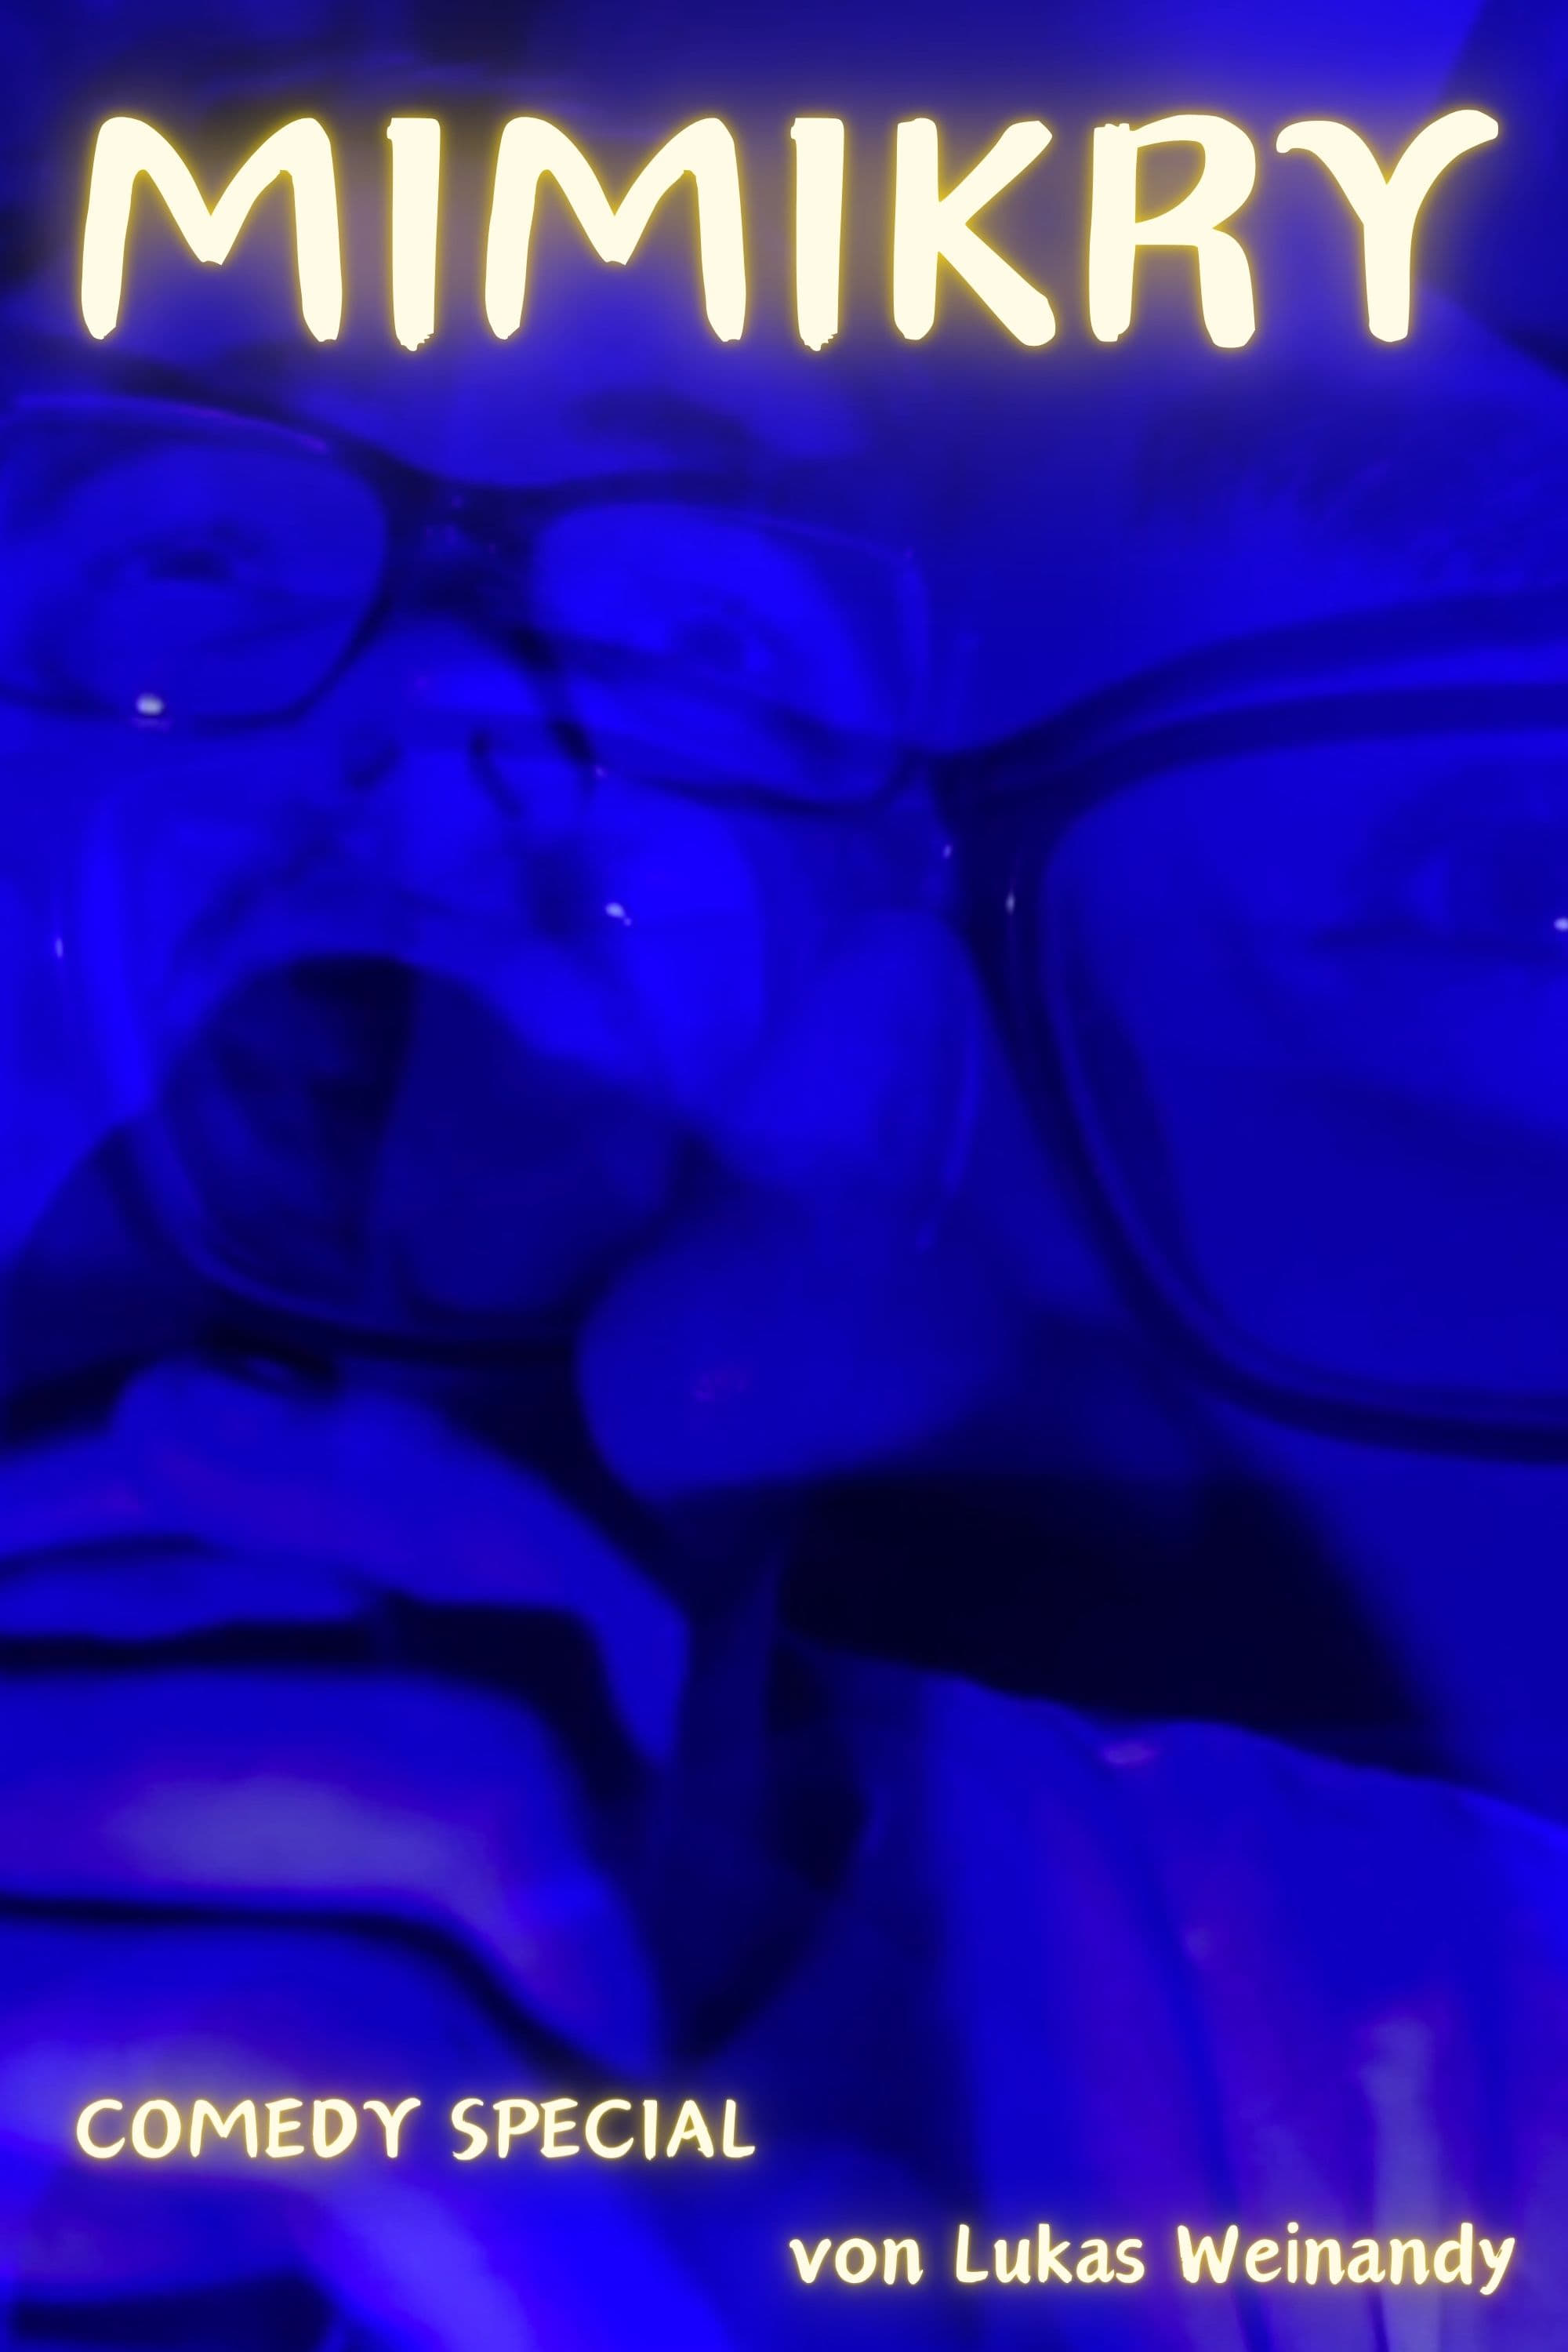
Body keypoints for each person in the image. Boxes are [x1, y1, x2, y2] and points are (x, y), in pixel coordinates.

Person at [0, 0, 1565, 2339]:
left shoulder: (1455, 2037)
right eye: (193, 558)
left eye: (706, 633)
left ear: (916, 1085)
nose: (447, 699)